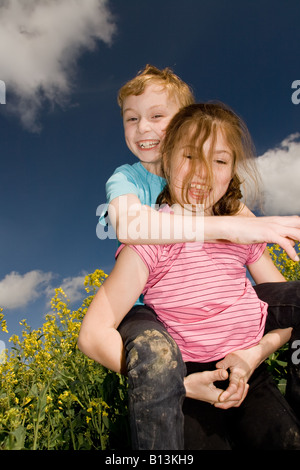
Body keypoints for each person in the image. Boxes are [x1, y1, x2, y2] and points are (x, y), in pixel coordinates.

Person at [79, 101, 300, 449]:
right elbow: (92, 336)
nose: (203, 174)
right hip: (190, 388)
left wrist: (253, 355)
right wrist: (176, 383)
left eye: (220, 160)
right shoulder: (151, 236)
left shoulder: (240, 229)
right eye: (190, 156)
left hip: (251, 375)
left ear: (231, 172)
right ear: (165, 161)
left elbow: (288, 312)